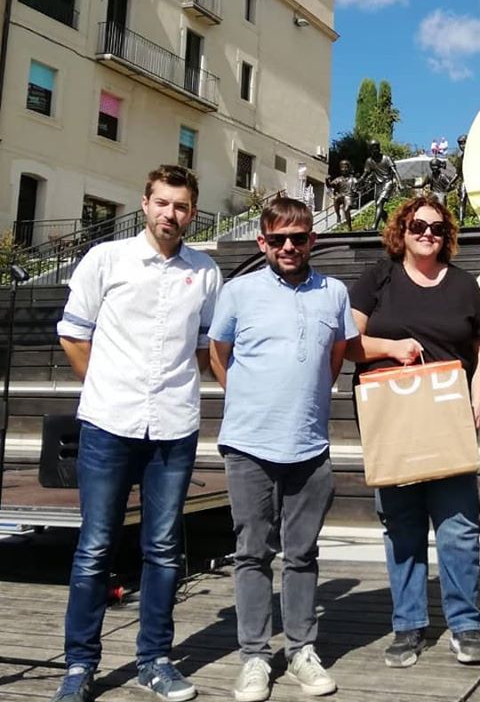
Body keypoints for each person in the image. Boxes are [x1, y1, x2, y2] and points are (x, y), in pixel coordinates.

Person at [52, 165, 222, 702]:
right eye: (163, 203)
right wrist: (105, 386)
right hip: (109, 422)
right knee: (95, 546)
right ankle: (79, 667)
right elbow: (73, 334)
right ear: (145, 203)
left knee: (165, 548)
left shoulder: (206, 272)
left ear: (192, 213)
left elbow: (204, 347)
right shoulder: (106, 259)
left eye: (182, 206)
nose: (171, 214)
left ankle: (155, 660)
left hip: (174, 426)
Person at [208, 197, 358, 701]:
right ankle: (254, 656)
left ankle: (300, 649)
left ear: (313, 239)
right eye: (278, 239)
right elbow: (218, 353)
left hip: (310, 444)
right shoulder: (237, 291)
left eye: (299, 237)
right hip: (248, 444)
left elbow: (335, 355)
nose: (289, 246)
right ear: (262, 242)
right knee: (251, 553)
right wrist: (253, 401)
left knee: (302, 554)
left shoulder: (334, 292)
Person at [348, 197, 480, 668]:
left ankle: (465, 625)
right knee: (403, 528)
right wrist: (393, 347)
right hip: (393, 423)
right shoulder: (379, 278)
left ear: (446, 233)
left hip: (448, 422)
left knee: (458, 529)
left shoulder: (464, 286)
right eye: (417, 224)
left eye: (436, 226)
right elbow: (350, 343)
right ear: (402, 229)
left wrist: (474, 406)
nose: (427, 232)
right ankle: (408, 626)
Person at [359, 139, 402, 229]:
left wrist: (400, 183)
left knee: (379, 203)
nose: (375, 151)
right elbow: (365, 174)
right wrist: (359, 181)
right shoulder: (369, 161)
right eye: (372, 149)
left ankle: (374, 226)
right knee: (379, 206)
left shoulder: (387, 158)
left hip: (388, 183)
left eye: (376, 148)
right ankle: (391, 226)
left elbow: (394, 171)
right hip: (378, 184)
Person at [325, 160, 358, 230]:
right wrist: (327, 180)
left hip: (349, 196)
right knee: (336, 198)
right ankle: (338, 215)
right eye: (342, 167)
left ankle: (349, 227)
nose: (344, 169)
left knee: (346, 209)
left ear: (349, 168)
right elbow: (330, 185)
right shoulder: (338, 179)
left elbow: (357, 187)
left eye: (346, 167)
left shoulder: (353, 179)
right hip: (341, 195)